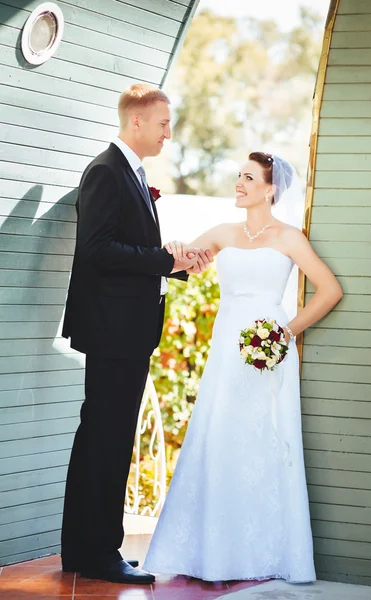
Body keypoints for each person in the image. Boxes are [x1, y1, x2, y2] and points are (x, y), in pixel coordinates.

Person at [143, 152, 343, 583]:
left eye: (248, 178)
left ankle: (261, 553)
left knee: (263, 442)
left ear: (270, 189)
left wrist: (285, 333)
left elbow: (329, 290)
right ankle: (212, 554)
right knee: (219, 437)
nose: (239, 183)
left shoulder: (291, 238)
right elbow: (181, 263)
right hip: (225, 349)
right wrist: (175, 250)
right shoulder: (223, 232)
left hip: (267, 352)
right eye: (238, 176)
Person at [60, 83, 212, 585]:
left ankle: (88, 550)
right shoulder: (107, 171)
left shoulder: (131, 173)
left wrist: (175, 261)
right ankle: (97, 552)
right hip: (111, 332)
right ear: (137, 122)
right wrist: (163, 259)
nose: (170, 133)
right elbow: (98, 250)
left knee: (106, 438)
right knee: (105, 440)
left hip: (125, 331)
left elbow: (129, 249)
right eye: (164, 123)